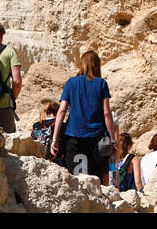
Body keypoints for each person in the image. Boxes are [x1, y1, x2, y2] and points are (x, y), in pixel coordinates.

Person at [50, 49, 118, 183]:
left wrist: (55, 139)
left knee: (77, 180)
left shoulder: (71, 83)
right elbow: (106, 113)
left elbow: (62, 110)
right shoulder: (101, 84)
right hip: (97, 139)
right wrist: (113, 139)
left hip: (73, 137)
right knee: (95, 180)